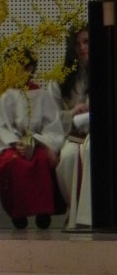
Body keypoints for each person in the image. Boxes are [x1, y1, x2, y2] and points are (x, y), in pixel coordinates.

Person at [0, 50, 65, 230]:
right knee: (13, 162)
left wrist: (37, 141)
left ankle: (43, 211)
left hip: (37, 142)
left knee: (42, 160)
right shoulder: (0, 95)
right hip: (10, 144)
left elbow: (51, 125)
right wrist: (16, 143)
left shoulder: (41, 94)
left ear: (30, 69)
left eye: (21, 67)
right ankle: (18, 213)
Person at [51, 26, 91, 229]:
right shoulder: (61, 78)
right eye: (77, 44)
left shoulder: (108, 70)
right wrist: (73, 113)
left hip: (99, 135)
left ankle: (91, 215)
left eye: (86, 42)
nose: (82, 48)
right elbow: (51, 117)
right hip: (72, 135)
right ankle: (74, 213)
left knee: (90, 153)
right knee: (69, 157)